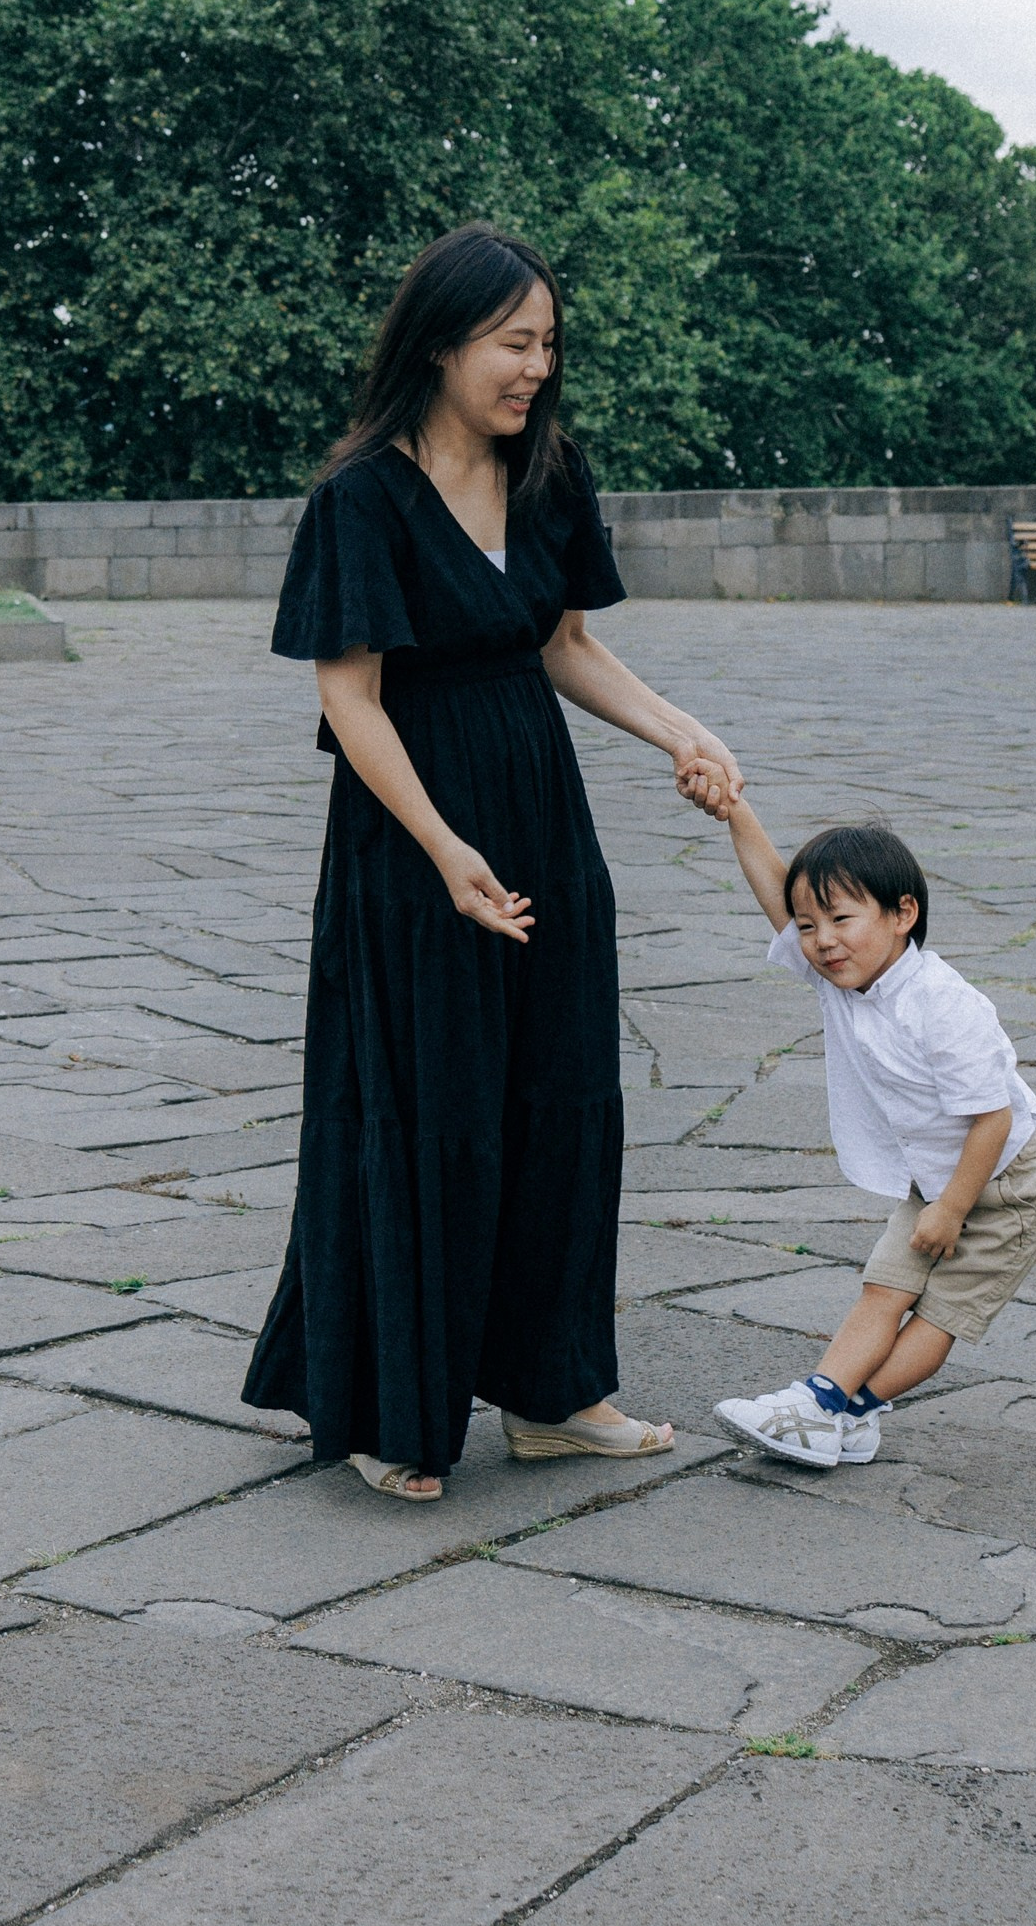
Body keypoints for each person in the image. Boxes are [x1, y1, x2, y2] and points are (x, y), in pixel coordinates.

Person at [242, 222, 746, 1501]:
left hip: (538, 809)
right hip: (411, 834)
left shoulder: (548, 474)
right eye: (513, 343)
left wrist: (679, 731)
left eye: (548, 345)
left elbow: (562, 646)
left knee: (561, 1092)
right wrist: (443, 846)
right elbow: (348, 696)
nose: (536, 368)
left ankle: (551, 1391)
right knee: (426, 1103)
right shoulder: (361, 497)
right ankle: (387, 1408)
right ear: (441, 342)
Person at [697, 798, 1036, 1467]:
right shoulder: (839, 978)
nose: (822, 940)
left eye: (841, 919)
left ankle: (842, 1411)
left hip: (1011, 1183)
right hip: (935, 1178)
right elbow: (774, 889)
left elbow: (994, 1117)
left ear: (903, 914)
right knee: (884, 1286)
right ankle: (820, 1408)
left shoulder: (943, 1003)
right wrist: (736, 810)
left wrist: (952, 1209)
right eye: (808, 926)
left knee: (941, 1313)